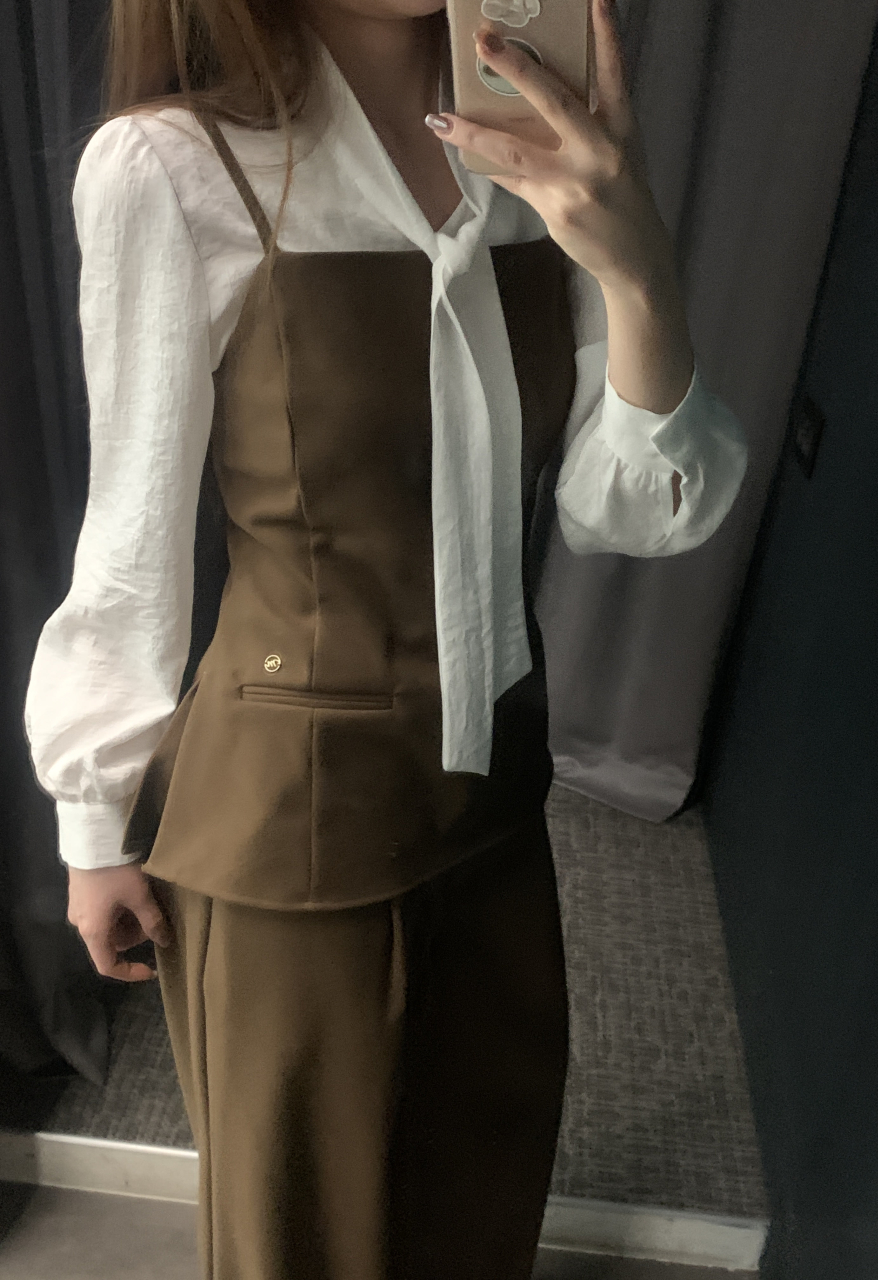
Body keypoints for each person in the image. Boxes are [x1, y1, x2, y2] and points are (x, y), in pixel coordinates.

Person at [23, 0, 747, 1275]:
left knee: (480, 1208)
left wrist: (636, 266)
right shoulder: (172, 169)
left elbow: (632, 507)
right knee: (304, 1245)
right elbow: (129, 535)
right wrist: (94, 819)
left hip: (496, 806)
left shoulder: (545, 154)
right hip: (287, 830)